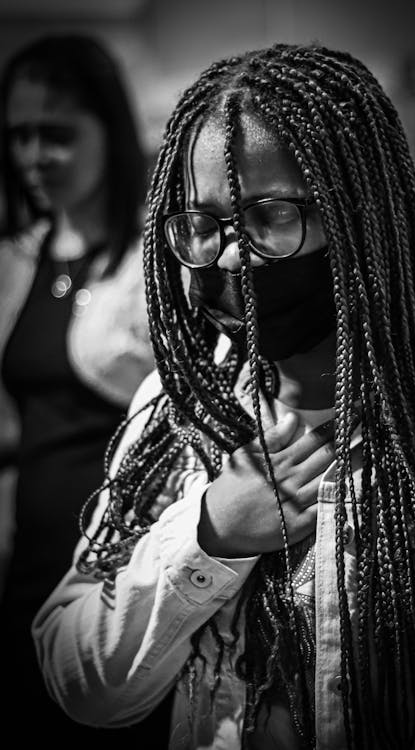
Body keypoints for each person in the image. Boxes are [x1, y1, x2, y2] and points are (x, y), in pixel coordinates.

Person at [33, 42, 415, 750]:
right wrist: (207, 535)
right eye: (202, 225)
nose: (226, 256)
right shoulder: (176, 410)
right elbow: (79, 680)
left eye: (269, 216)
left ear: (360, 216)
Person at [0, 34, 156, 739]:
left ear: (110, 132)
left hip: (120, 580)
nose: (35, 157)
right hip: (28, 568)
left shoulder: (154, 260)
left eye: (56, 134)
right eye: (20, 136)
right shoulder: (18, 258)